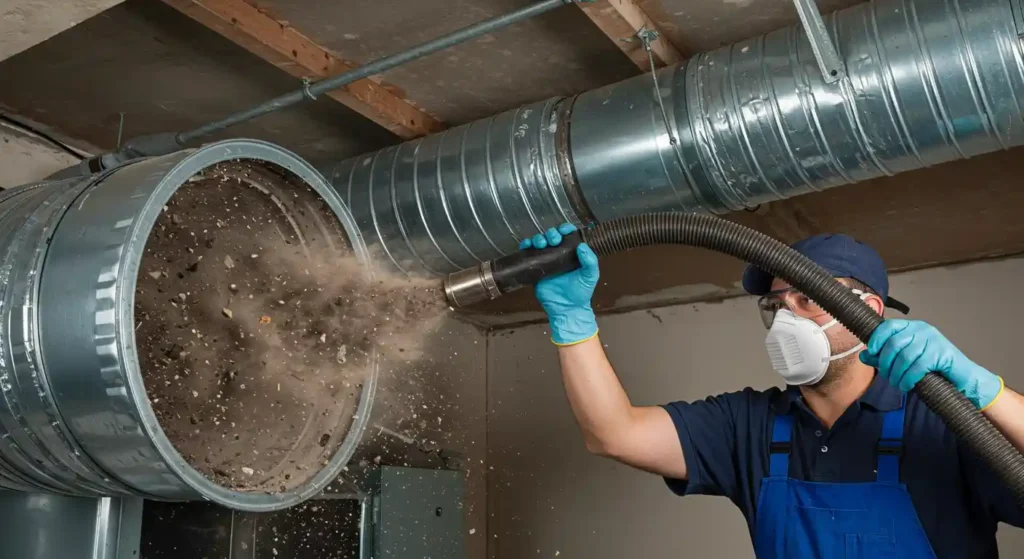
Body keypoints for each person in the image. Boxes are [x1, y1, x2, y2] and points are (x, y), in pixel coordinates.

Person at [521, 223, 1024, 558]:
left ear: (868, 309)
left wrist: (985, 391)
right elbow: (615, 432)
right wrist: (572, 319)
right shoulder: (751, 427)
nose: (786, 318)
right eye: (776, 304)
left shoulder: (941, 421)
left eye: (808, 299)